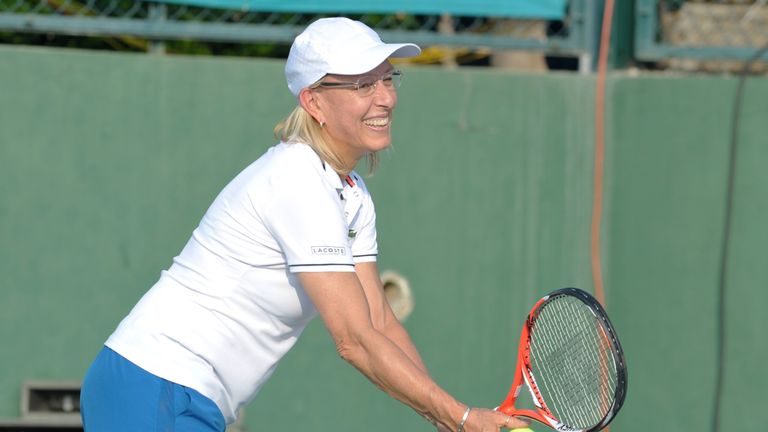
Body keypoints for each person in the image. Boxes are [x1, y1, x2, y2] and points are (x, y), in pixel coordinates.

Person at [79, 17, 528, 432]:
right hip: (153, 384)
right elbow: (353, 340)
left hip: (184, 395)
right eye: (361, 84)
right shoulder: (297, 180)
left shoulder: (352, 195)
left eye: (387, 78)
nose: (385, 97)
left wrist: (450, 418)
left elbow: (379, 322)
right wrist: (460, 416)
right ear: (314, 101)